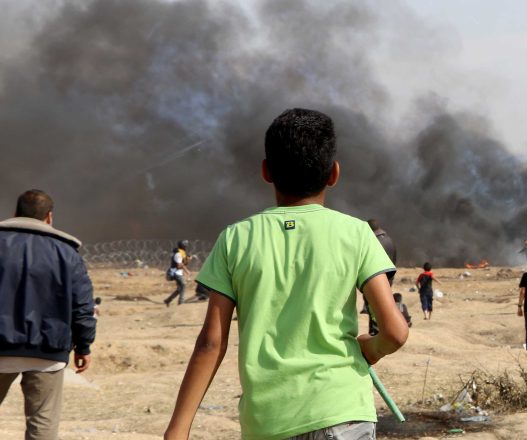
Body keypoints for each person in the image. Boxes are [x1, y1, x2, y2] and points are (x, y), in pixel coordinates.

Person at [166, 109, 409, 440]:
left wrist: (177, 430)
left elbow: (211, 343)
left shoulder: (235, 239)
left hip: (270, 423)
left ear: (266, 171)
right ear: (334, 174)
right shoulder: (356, 234)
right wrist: (370, 349)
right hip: (344, 412)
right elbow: (395, 332)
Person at [0, 190, 96, 440]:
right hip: (48, 351)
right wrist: (83, 347)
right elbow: (83, 306)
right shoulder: (68, 253)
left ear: (15, 213)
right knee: (42, 425)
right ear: (49, 217)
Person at [163, 240, 192, 306]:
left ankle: (168, 300)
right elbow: (179, 265)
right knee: (183, 284)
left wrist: (188, 260)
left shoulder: (181, 253)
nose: (186, 248)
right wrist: (186, 271)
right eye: (185, 246)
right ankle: (181, 302)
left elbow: (183, 264)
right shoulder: (178, 254)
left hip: (178, 273)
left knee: (179, 289)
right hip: (175, 273)